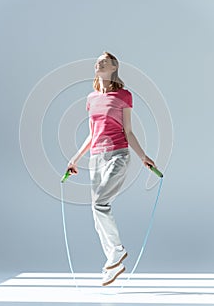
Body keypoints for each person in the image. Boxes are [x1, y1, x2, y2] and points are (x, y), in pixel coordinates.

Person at [67, 51, 156, 286]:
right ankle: (112, 262)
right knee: (97, 215)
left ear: (114, 66)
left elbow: (128, 130)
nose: (99, 63)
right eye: (97, 61)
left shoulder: (124, 95)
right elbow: (91, 134)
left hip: (118, 154)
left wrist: (143, 156)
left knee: (100, 203)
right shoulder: (91, 98)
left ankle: (117, 251)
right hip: (96, 158)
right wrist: (75, 159)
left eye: (104, 61)